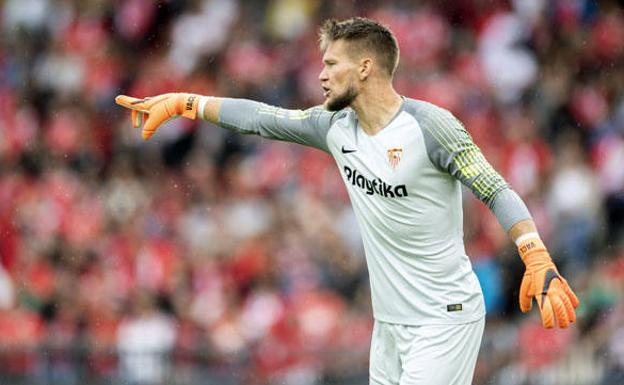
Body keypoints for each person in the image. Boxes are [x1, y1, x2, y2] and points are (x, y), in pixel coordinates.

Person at [115, 17, 579, 385]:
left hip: (445, 319)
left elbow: (495, 188)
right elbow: (261, 118)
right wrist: (185, 103)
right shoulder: (334, 127)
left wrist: (535, 255)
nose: (320, 74)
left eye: (332, 63)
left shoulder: (430, 126)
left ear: (364, 68)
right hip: (390, 326)